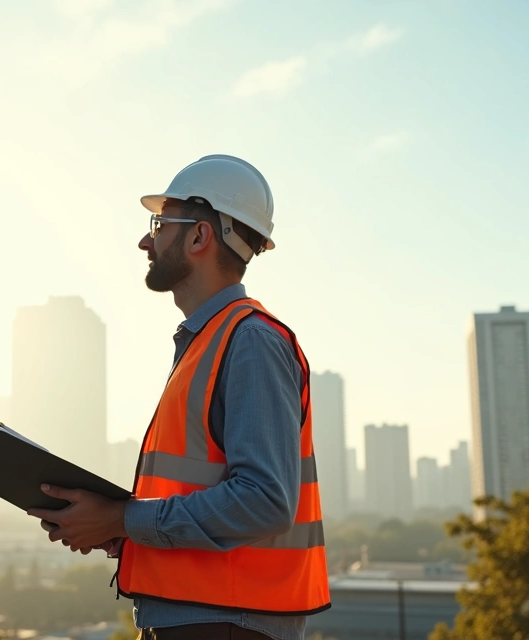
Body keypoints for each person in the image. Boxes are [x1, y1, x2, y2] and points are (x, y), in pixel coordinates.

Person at [25, 155, 330, 640]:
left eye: (160, 225)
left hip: (227, 623)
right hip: (206, 619)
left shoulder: (250, 341)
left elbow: (265, 503)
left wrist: (122, 517)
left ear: (197, 237)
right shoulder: (209, 341)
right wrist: (120, 528)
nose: (146, 240)